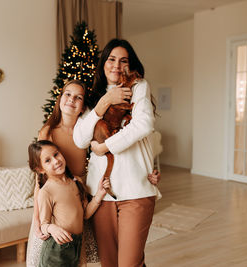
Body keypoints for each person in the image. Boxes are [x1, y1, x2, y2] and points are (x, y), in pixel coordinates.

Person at [26, 80, 161, 266]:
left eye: (78, 97)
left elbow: (114, 152)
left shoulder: (89, 129)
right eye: (67, 94)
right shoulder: (48, 132)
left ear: (83, 107)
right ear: (59, 99)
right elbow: (40, 181)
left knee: (82, 256)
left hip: (81, 195)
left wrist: (149, 171)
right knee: (54, 257)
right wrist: (38, 221)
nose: (71, 100)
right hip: (57, 203)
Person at [73, 38, 161, 267]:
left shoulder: (139, 86)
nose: (116, 66)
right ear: (103, 63)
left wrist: (104, 147)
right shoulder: (94, 97)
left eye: (123, 61)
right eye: (111, 59)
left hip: (136, 191)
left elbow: (143, 125)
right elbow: (81, 139)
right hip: (102, 195)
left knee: (130, 263)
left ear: (130, 66)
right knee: (109, 263)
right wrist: (104, 103)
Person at [28, 140, 110, 267]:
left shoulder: (76, 182)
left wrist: (99, 194)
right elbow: (44, 224)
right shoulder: (46, 191)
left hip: (77, 245)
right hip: (57, 249)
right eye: (47, 160)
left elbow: (85, 215)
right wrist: (52, 228)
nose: (56, 161)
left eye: (56, 154)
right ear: (40, 169)